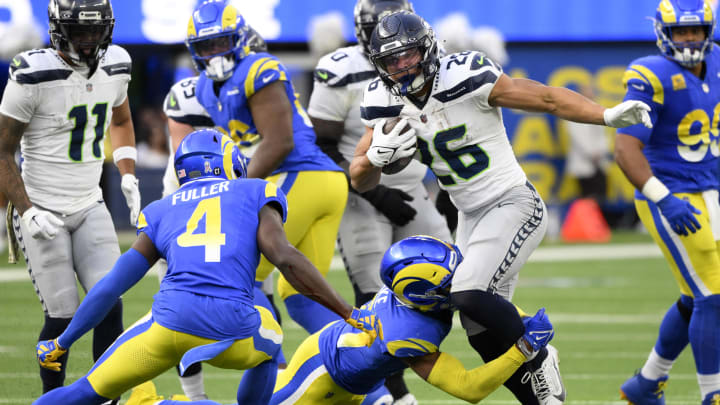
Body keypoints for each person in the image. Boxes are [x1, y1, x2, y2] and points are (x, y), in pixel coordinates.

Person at [350, 11, 652, 405]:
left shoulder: (465, 74)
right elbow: (359, 179)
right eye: (392, 60)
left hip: (513, 201)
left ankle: (539, 353)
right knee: (482, 334)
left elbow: (545, 97)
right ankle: (542, 399)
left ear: (427, 48)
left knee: (469, 292)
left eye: (408, 55)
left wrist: (606, 115)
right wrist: (373, 158)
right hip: (470, 217)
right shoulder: (381, 101)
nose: (402, 66)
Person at [32, 129, 379, 405]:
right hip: (232, 326)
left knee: (84, 392)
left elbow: (111, 286)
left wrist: (62, 342)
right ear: (228, 163)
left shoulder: (161, 209)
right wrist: (348, 311)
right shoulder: (254, 190)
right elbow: (285, 257)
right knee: (270, 341)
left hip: (168, 323)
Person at [126, 235, 556, 405]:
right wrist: (523, 349)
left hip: (354, 379)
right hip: (322, 378)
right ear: (425, 293)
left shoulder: (420, 302)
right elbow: (469, 389)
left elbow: (473, 300)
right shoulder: (411, 330)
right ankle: (152, 401)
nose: (459, 280)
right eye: (450, 276)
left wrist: (516, 318)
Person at [308, 1, 451, 403]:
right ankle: (394, 397)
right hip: (359, 195)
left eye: (407, 42)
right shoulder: (341, 69)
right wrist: (375, 191)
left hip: (413, 188)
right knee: (373, 297)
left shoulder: (431, 62)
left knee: (449, 278)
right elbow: (321, 145)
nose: (398, 49)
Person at [0, 0, 140, 396]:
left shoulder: (117, 63)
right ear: (59, 29)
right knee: (62, 316)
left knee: (110, 306)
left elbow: (122, 118)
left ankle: (105, 398)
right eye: (80, 30)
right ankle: (51, 399)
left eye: (95, 30)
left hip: (89, 202)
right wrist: (27, 212)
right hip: (42, 207)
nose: (89, 39)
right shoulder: (33, 74)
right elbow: (2, 151)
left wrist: (127, 173)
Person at [187, 0, 348, 335]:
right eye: (206, 46)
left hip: (300, 174)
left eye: (221, 42)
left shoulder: (259, 68)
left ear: (240, 38)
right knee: (303, 296)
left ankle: (269, 371)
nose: (214, 53)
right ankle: (374, 383)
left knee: (239, 271)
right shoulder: (204, 87)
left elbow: (279, 143)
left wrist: (232, 189)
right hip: (319, 182)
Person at [613, 1, 720, 404]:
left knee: (697, 296)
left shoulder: (718, 63)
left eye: (697, 31)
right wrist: (664, 198)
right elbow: (626, 148)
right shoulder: (650, 74)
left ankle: (646, 383)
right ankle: (713, 393)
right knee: (714, 295)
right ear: (664, 32)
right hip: (669, 193)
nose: (690, 39)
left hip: (710, 191)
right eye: (682, 32)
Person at [155, 24, 269, 400]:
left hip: (237, 197)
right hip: (190, 201)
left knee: (258, 295)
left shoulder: (253, 88)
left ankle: (267, 381)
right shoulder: (188, 94)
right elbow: (182, 158)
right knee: (183, 295)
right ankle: (195, 396)